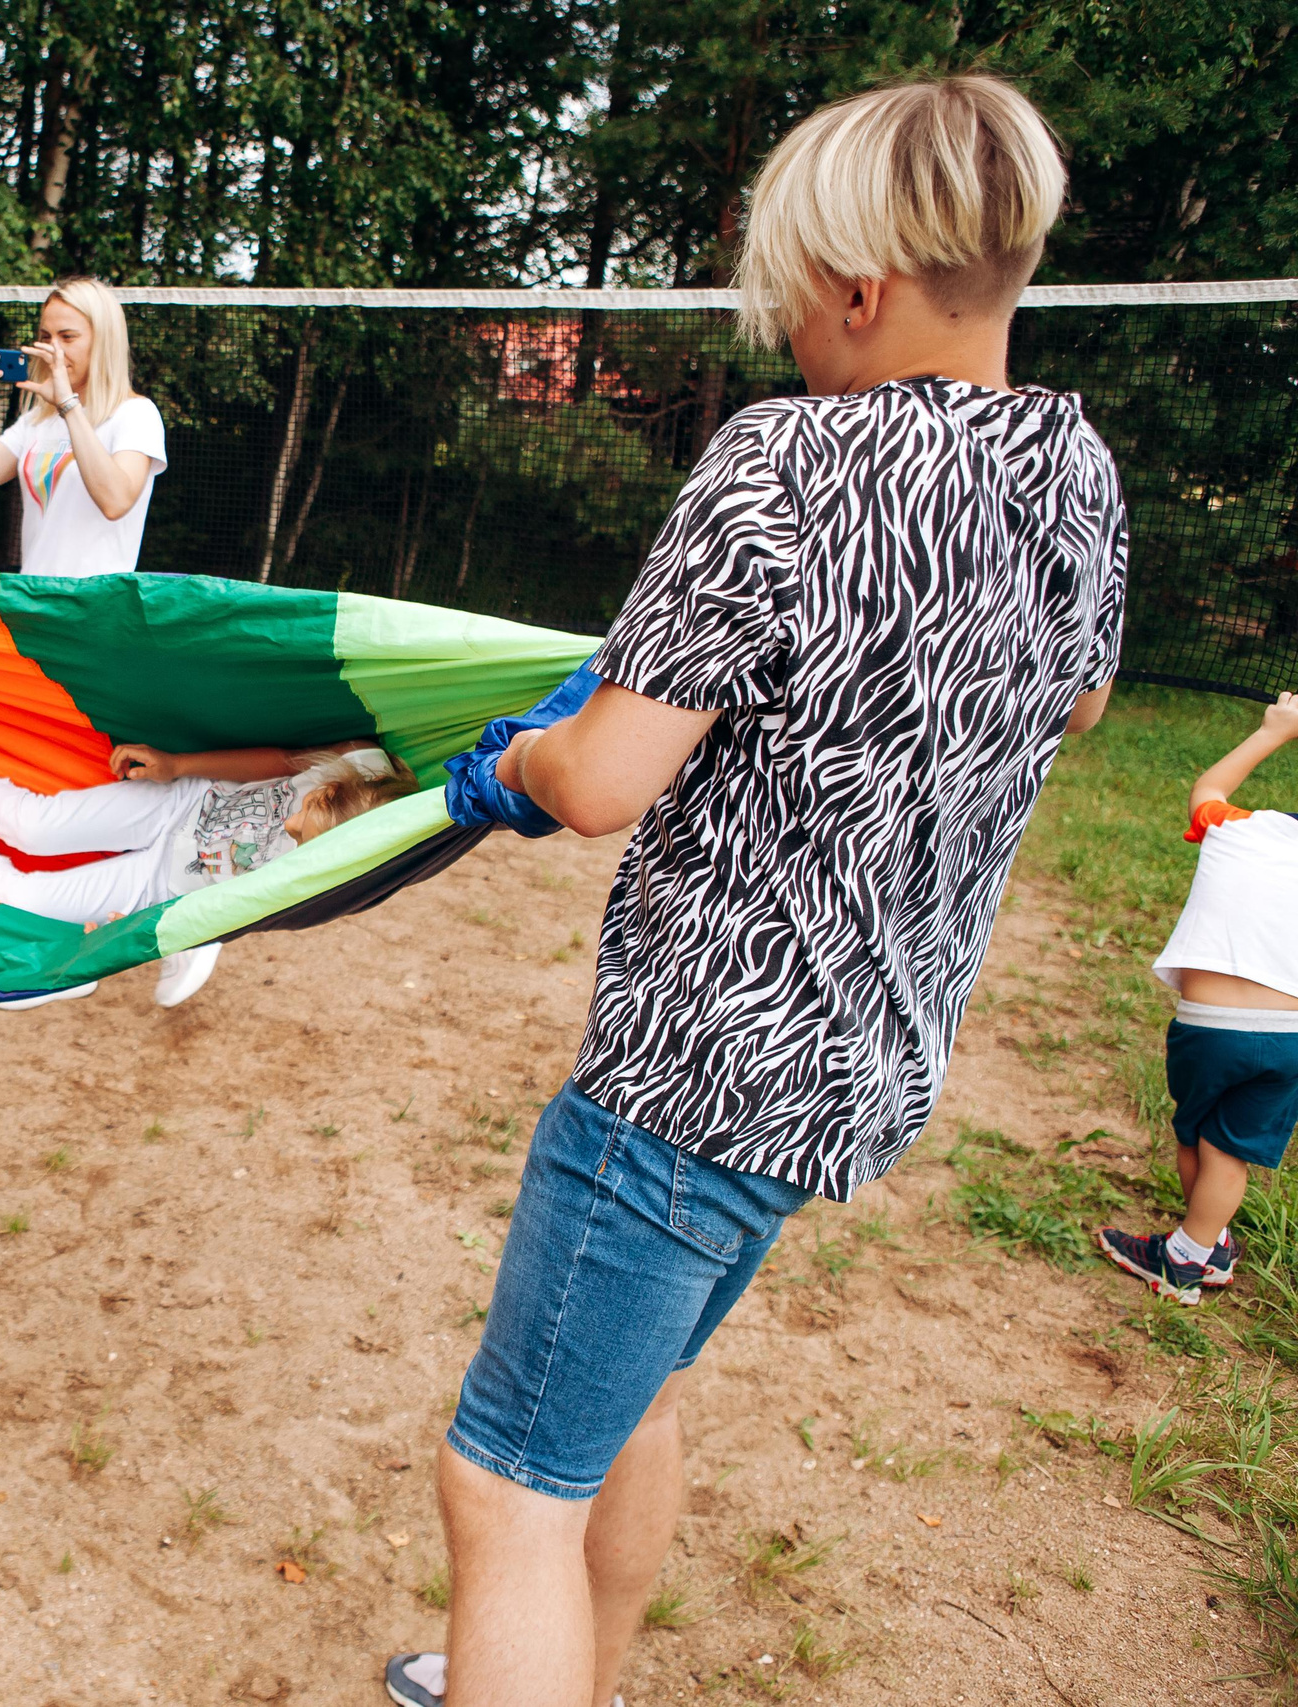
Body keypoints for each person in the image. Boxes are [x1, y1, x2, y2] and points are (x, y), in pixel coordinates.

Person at [380, 77, 1124, 1707]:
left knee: (507, 1484)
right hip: (857, 1072)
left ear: (862, 288)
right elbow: (1075, 705)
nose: (783, 325)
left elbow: (603, 784)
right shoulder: (1072, 473)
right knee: (627, 1402)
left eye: (790, 288)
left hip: (689, 1081)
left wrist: (513, 760)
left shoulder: (786, 461)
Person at [0, 277, 221, 1005]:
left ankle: (192, 916)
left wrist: (69, 405)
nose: (53, 348)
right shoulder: (34, 422)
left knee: (113, 775)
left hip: (104, 628)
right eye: (47, 333)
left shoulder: (136, 416)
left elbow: (114, 497)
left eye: (70, 335)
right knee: (60, 779)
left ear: (102, 339)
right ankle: (83, 931)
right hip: (39, 623)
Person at [0, 703, 406, 1003]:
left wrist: (138, 932)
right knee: (29, 823)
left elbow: (238, 914)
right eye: (302, 824)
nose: (289, 831)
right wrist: (176, 766)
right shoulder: (359, 766)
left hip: (166, 886)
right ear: (327, 793)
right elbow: (277, 762)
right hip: (180, 806)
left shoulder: (327, 873)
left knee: (15, 896)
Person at [1095, 692, 1298, 1304]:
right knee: (1230, 1150)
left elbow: (1209, 786)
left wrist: (1276, 730)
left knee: (1198, 1137)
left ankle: (1184, 1258)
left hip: (1213, 1028)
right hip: (1292, 1040)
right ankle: (1205, 1246)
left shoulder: (1240, 830)